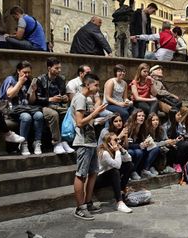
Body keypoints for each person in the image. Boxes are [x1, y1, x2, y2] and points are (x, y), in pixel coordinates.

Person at [70, 72, 108, 220]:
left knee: (93, 173)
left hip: (91, 140)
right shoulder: (79, 98)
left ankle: (88, 202)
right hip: (83, 142)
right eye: (96, 85)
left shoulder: (86, 99)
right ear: (87, 84)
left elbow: (87, 120)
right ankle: (80, 207)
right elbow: (79, 122)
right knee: (81, 174)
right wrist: (95, 113)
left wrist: (99, 118)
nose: (98, 88)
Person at [0, 60, 45, 156]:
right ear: (18, 71)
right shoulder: (11, 79)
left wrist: (33, 91)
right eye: (24, 72)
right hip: (13, 109)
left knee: (39, 115)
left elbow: (31, 101)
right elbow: (10, 95)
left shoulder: (29, 81)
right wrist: (19, 83)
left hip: (27, 108)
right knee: (26, 117)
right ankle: (23, 143)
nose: (27, 74)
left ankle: (37, 142)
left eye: (28, 72)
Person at [30, 57, 73, 155]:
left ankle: (65, 140)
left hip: (58, 105)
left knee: (69, 112)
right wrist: (50, 99)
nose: (59, 70)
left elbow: (64, 95)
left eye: (60, 68)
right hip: (44, 106)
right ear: (49, 68)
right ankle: (56, 143)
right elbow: (36, 99)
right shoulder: (40, 79)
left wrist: (64, 98)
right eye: (56, 68)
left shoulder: (61, 79)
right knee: (54, 114)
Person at [95, 132, 133, 213]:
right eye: (115, 140)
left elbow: (129, 159)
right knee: (114, 171)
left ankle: (121, 190)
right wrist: (117, 151)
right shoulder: (104, 152)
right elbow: (117, 166)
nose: (118, 141)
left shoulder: (114, 149)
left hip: (110, 175)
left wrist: (121, 149)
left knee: (129, 165)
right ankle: (119, 202)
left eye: (118, 139)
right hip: (99, 178)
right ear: (109, 142)